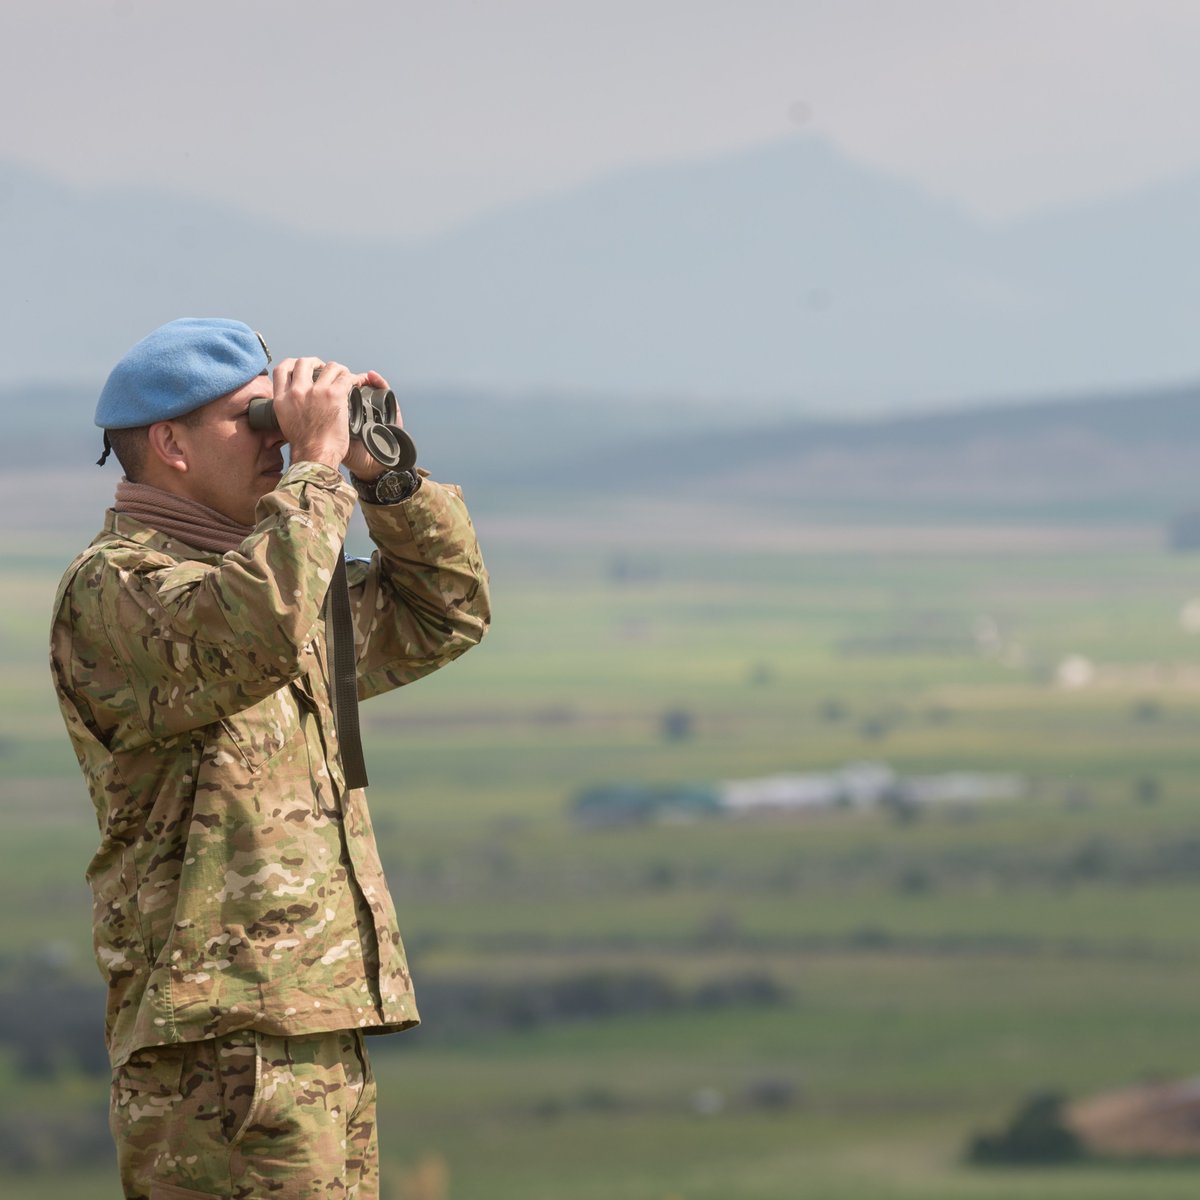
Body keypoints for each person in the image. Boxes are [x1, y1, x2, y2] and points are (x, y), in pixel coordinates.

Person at [49, 318, 491, 1200]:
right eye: (252, 423)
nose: (278, 445)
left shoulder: (275, 578)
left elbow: (446, 610)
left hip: (312, 1024)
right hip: (215, 1052)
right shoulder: (118, 587)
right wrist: (321, 472)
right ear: (169, 444)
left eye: (279, 421)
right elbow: (251, 632)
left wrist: (383, 474)